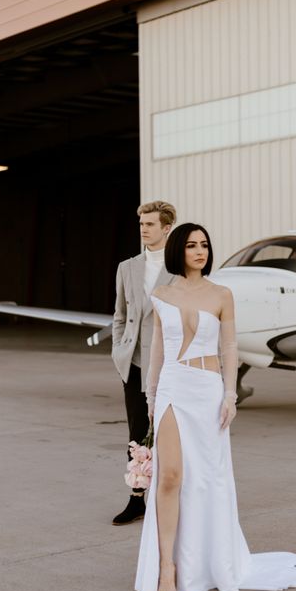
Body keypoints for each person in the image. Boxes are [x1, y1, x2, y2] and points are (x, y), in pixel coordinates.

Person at [135, 223, 296, 591]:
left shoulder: (222, 294)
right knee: (170, 476)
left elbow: (229, 347)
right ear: (178, 250)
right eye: (191, 245)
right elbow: (157, 349)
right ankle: (167, 569)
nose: (200, 251)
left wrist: (230, 395)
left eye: (205, 245)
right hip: (173, 390)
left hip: (208, 392)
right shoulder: (160, 295)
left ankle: (207, 561)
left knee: (208, 481)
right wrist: (152, 395)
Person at [111, 200, 177, 525]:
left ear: (166, 228)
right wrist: (119, 351)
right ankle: (137, 498)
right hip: (135, 363)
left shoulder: (179, 270)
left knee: (167, 433)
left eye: (150, 224)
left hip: (168, 365)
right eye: (141, 224)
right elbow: (119, 316)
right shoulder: (127, 267)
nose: (143, 229)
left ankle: (167, 497)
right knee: (136, 433)